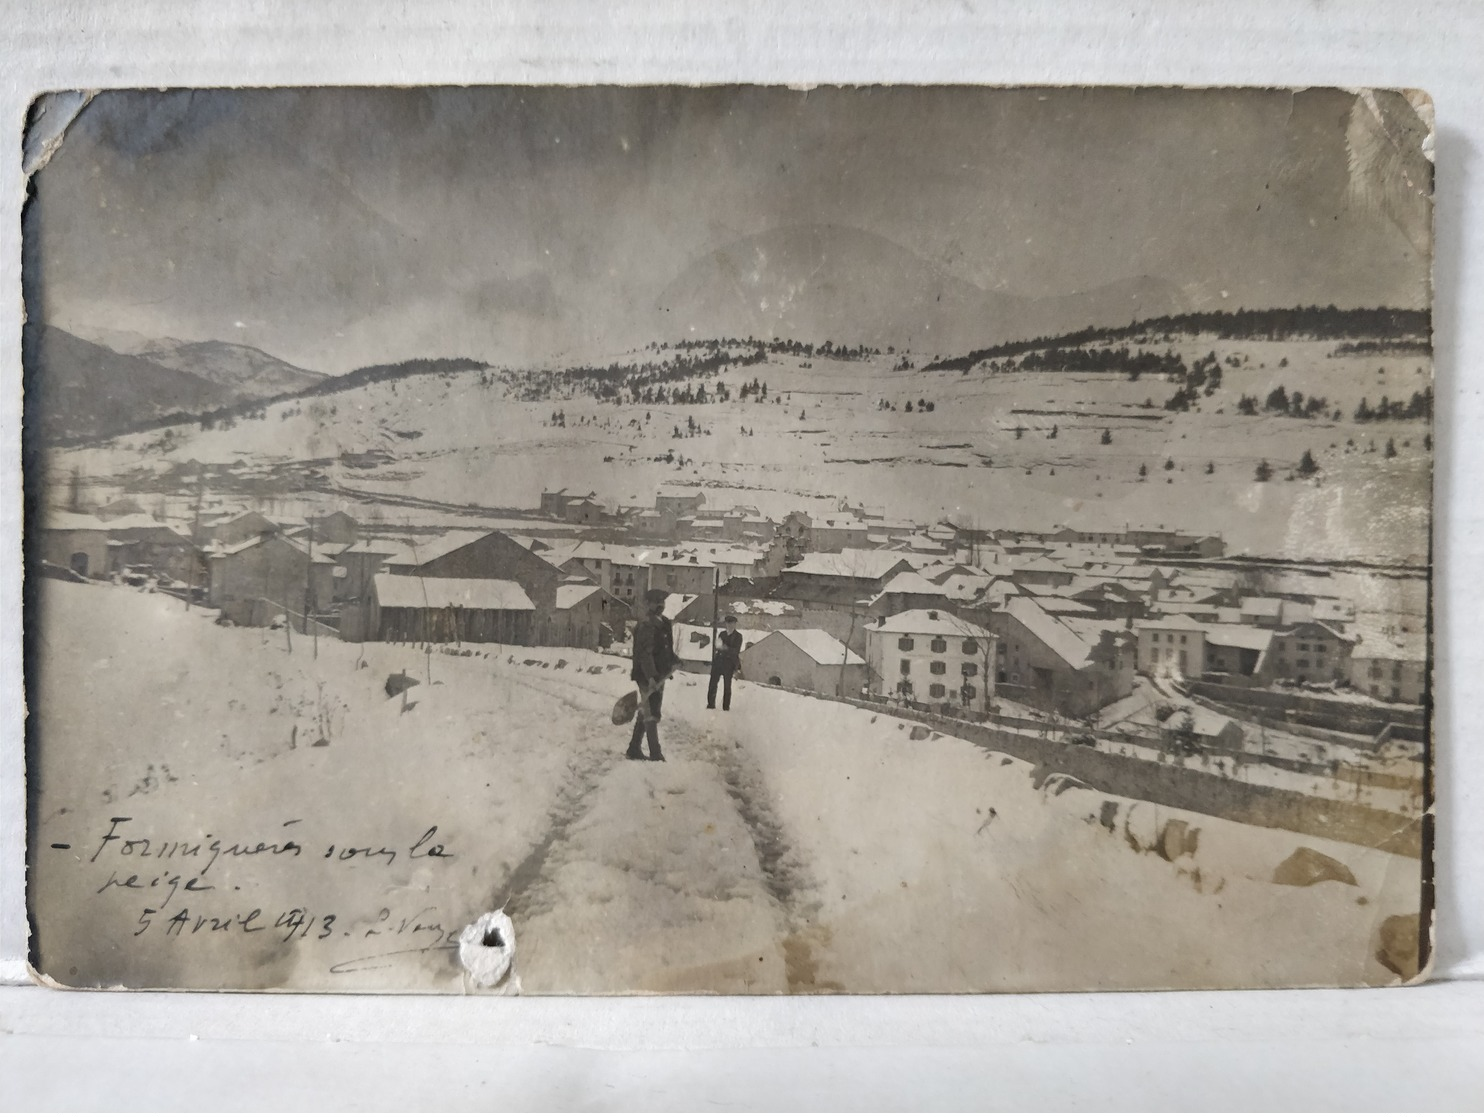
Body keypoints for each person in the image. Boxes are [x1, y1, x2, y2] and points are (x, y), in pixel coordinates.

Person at [626, 588, 680, 762]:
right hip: (646, 676)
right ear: (648, 604)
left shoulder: (664, 623)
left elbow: (666, 649)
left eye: (662, 602)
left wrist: (674, 660)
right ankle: (656, 754)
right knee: (651, 713)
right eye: (656, 602)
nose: (660, 605)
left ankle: (634, 748)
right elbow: (645, 654)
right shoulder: (646, 625)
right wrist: (650, 677)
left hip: (660, 675)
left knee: (647, 709)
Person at [707, 615, 744, 711]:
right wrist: (719, 647)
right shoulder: (722, 634)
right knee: (712, 683)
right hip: (718, 661)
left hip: (729, 663)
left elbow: (736, 651)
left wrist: (725, 648)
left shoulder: (738, 636)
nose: (729, 625)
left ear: (735, 624)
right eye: (728, 623)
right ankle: (711, 705)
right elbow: (717, 646)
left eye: (732, 623)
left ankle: (726, 707)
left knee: (727, 686)